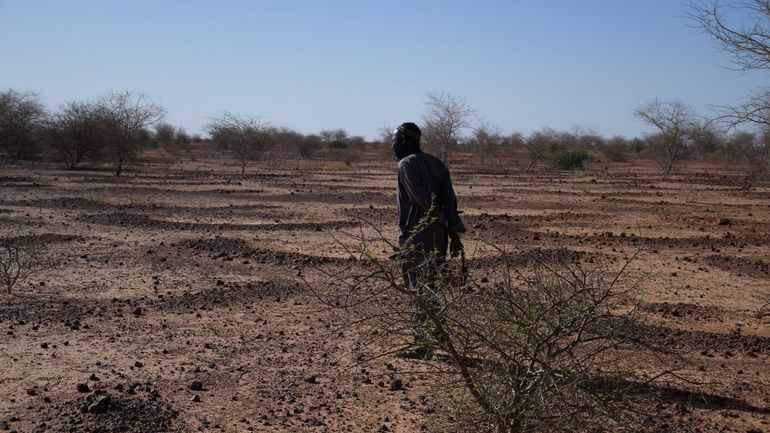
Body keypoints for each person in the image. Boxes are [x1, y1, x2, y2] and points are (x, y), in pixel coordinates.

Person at [391, 122, 465, 359]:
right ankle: (439, 336)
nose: (393, 146)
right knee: (431, 284)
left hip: (416, 232)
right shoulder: (437, 163)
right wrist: (453, 231)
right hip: (439, 233)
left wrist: (434, 214)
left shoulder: (406, 164)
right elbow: (450, 200)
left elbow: (418, 197)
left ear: (404, 141)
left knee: (417, 286)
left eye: (394, 141)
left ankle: (422, 344)